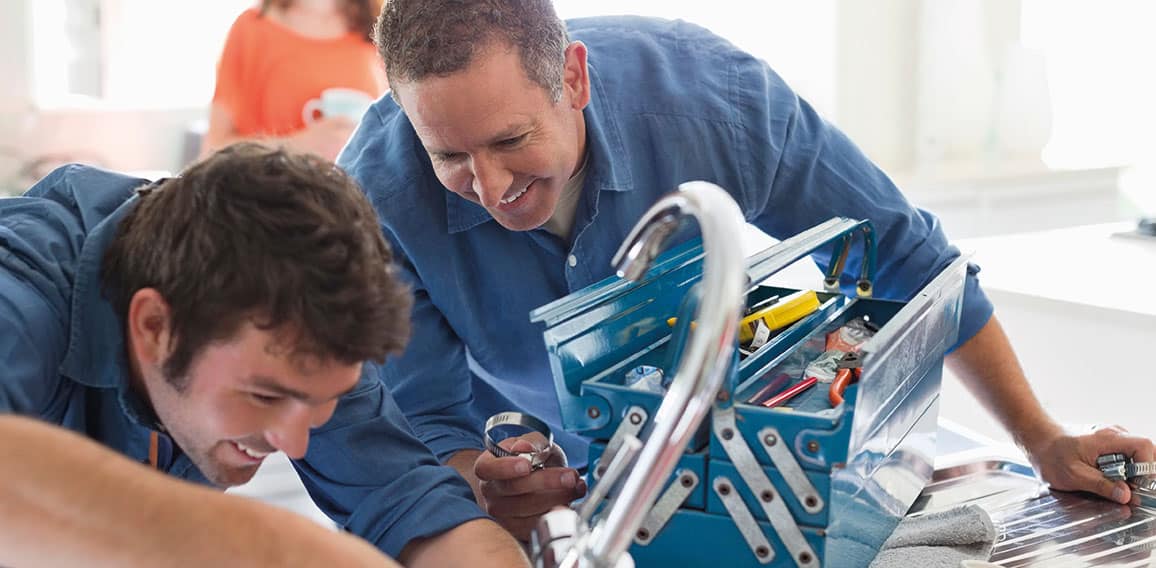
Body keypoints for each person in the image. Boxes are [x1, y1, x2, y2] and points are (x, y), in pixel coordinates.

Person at [337, 0, 1156, 541]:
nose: (490, 188)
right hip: (528, 457)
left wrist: (1042, 437)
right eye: (449, 154)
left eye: (513, 140)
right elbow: (420, 420)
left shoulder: (709, 98)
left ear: (574, 79)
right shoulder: (373, 194)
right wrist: (485, 486)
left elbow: (909, 259)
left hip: (712, 444)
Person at [0, 143, 528, 567]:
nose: (293, 442)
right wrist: (287, 551)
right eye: (262, 396)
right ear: (155, 326)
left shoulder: (301, 343)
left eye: (324, 401)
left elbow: (409, 503)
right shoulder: (19, 303)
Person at [199, 0, 388, 161]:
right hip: (272, 196)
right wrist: (298, 144)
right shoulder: (252, 28)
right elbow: (213, 151)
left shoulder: (379, 28)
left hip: (351, 197)